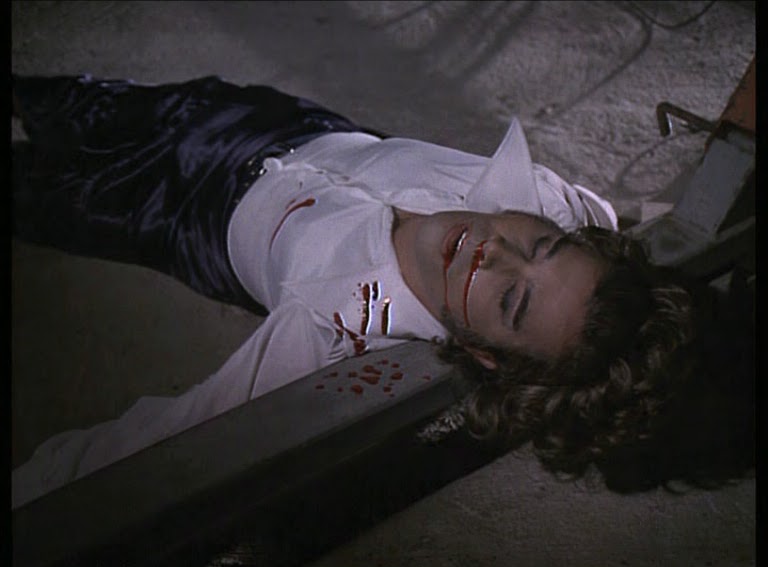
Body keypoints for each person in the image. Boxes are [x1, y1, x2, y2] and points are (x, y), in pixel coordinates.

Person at [11, 74, 754, 508]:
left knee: (46, 194)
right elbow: (609, 221)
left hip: (184, 217)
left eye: (511, 302)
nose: (495, 251)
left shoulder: (329, 339)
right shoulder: (556, 203)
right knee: (84, 103)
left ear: (486, 357)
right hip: (283, 123)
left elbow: (156, 450)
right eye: (543, 246)